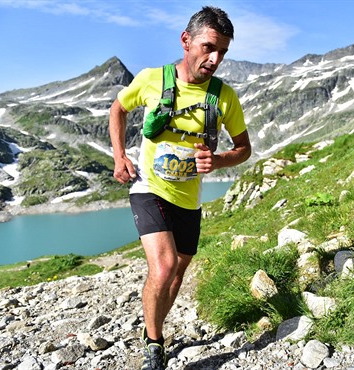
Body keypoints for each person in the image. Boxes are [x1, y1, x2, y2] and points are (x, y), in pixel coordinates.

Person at [108, 6, 251, 370]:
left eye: (222, 52)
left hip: (189, 198)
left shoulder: (224, 97)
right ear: (186, 41)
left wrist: (219, 161)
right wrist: (120, 156)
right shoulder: (152, 79)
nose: (214, 59)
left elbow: (243, 149)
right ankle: (154, 345)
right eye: (208, 47)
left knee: (177, 272)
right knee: (165, 265)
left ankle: (153, 328)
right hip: (148, 187)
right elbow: (118, 110)